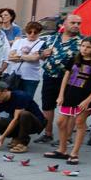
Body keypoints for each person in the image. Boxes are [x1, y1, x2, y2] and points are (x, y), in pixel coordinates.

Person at [51, 36, 91, 164]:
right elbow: (66, 77)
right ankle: (62, 149)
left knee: (80, 122)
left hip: (86, 97)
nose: (85, 49)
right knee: (61, 122)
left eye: (89, 47)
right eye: (83, 46)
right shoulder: (74, 58)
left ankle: (74, 153)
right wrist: (61, 95)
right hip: (70, 94)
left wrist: (88, 100)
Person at [37, 13, 83, 142]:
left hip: (71, 80)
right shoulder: (52, 38)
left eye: (78, 23)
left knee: (69, 108)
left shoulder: (83, 42)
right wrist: (43, 54)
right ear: (64, 24)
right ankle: (48, 133)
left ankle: (66, 138)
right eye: (73, 23)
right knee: (47, 106)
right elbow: (40, 53)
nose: (76, 26)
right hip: (50, 76)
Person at [0, 80, 45, 152]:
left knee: (23, 114)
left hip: (36, 123)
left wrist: (3, 137)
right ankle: (16, 137)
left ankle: (22, 143)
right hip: (19, 122)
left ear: (5, 91)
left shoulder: (20, 96)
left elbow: (15, 119)